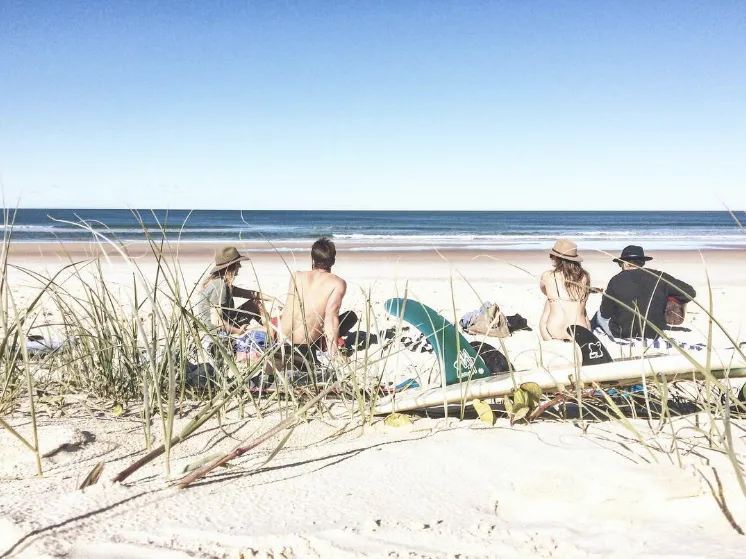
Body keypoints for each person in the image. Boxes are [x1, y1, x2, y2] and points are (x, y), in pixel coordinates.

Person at [274, 237, 357, 370]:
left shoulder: (296, 276)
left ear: (312, 259)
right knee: (350, 317)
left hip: (279, 345)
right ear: (333, 261)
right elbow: (331, 319)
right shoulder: (337, 283)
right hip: (302, 349)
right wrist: (334, 354)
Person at [592, 245, 696, 339]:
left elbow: (606, 313)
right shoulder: (659, 277)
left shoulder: (615, 280)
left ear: (625, 264)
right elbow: (690, 292)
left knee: (599, 315)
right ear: (642, 262)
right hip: (654, 333)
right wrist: (667, 299)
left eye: (620, 264)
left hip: (622, 332)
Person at [194, 246, 278, 338]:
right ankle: (272, 331)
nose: (240, 266)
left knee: (254, 303)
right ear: (231, 267)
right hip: (217, 332)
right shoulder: (220, 286)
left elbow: (250, 294)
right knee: (267, 329)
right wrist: (238, 332)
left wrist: (273, 299)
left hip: (226, 322)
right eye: (238, 263)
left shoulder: (220, 282)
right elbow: (216, 321)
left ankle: (270, 328)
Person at [539, 239, 592, 341]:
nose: (550, 258)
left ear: (559, 259)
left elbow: (544, 290)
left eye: (552, 255)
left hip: (552, 332)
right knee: (580, 304)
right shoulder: (585, 277)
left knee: (550, 301)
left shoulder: (547, 276)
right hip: (581, 332)